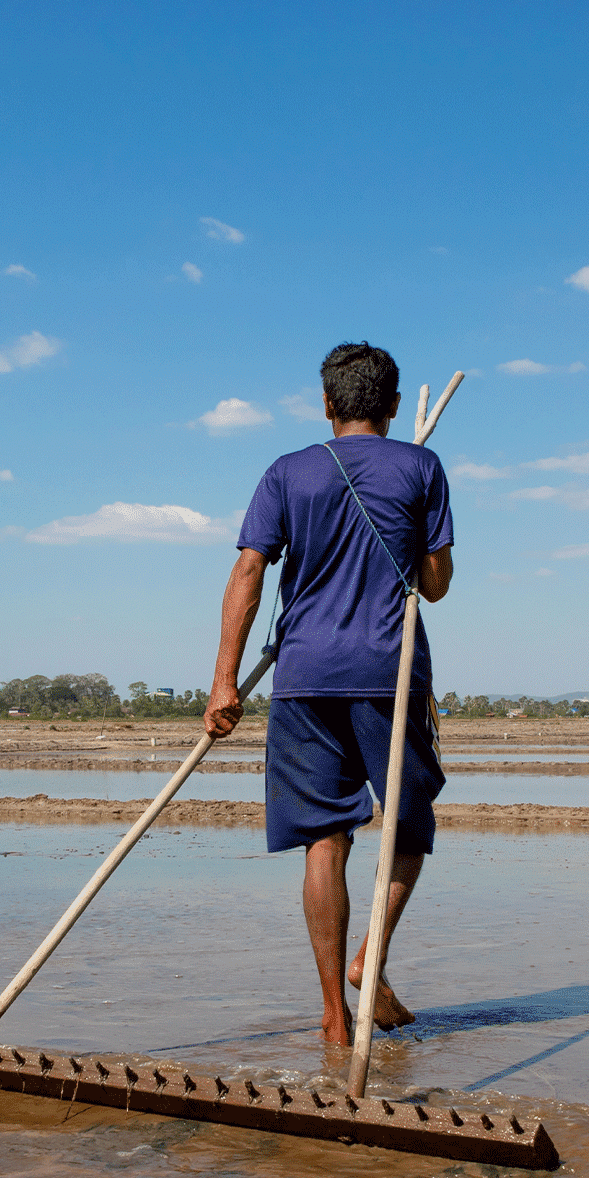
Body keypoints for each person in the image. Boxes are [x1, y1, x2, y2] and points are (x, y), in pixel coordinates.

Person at [203, 342, 454, 1047]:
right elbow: (434, 585)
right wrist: (413, 541)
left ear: (326, 403)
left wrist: (224, 680)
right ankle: (370, 957)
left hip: (303, 676)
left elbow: (249, 573)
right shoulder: (421, 466)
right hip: (389, 671)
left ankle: (335, 1020)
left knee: (325, 837)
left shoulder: (288, 472)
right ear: (395, 405)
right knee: (408, 824)